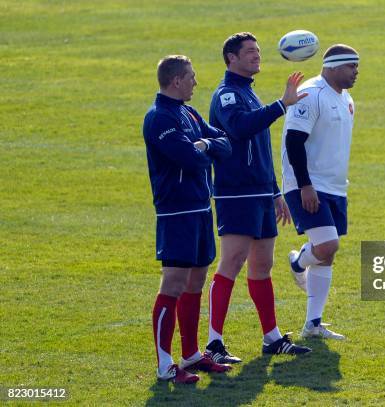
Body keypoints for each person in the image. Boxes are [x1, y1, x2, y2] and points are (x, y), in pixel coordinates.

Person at [205, 32, 311, 363]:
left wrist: (275, 191)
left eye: (258, 51)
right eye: (250, 52)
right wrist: (281, 105)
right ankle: (214, 344)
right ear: (231, 59)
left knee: (262, 265)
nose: (257, 55)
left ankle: (272, 338)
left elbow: (261, 149)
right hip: (236, 194)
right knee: (232, 262)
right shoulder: (226, 96)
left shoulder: (248, 94)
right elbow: (239, 128)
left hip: (261, 193)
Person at [143, 55, 233, 383]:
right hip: (176, 212)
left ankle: (192, 353)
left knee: (195, 282)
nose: (196, 82)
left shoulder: (189, 112)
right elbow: (189, 159)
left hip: (199, 209)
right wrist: (204, 149)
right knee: (174, 284)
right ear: (176, 80)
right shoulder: (159, 119)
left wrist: (205, 142)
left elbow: (225, 144)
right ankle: (165, 365)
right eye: (191, 77)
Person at [281, 44, 359, 340]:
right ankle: (297, 262)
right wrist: (305, 185)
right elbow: (294, 141)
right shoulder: (311, 93)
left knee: (327, 255)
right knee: (327, 246)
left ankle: (313, 324)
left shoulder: (346, 98)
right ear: (334, 66)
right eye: (351, 67)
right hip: (308, 185)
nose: (356, 73)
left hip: (335, 186)